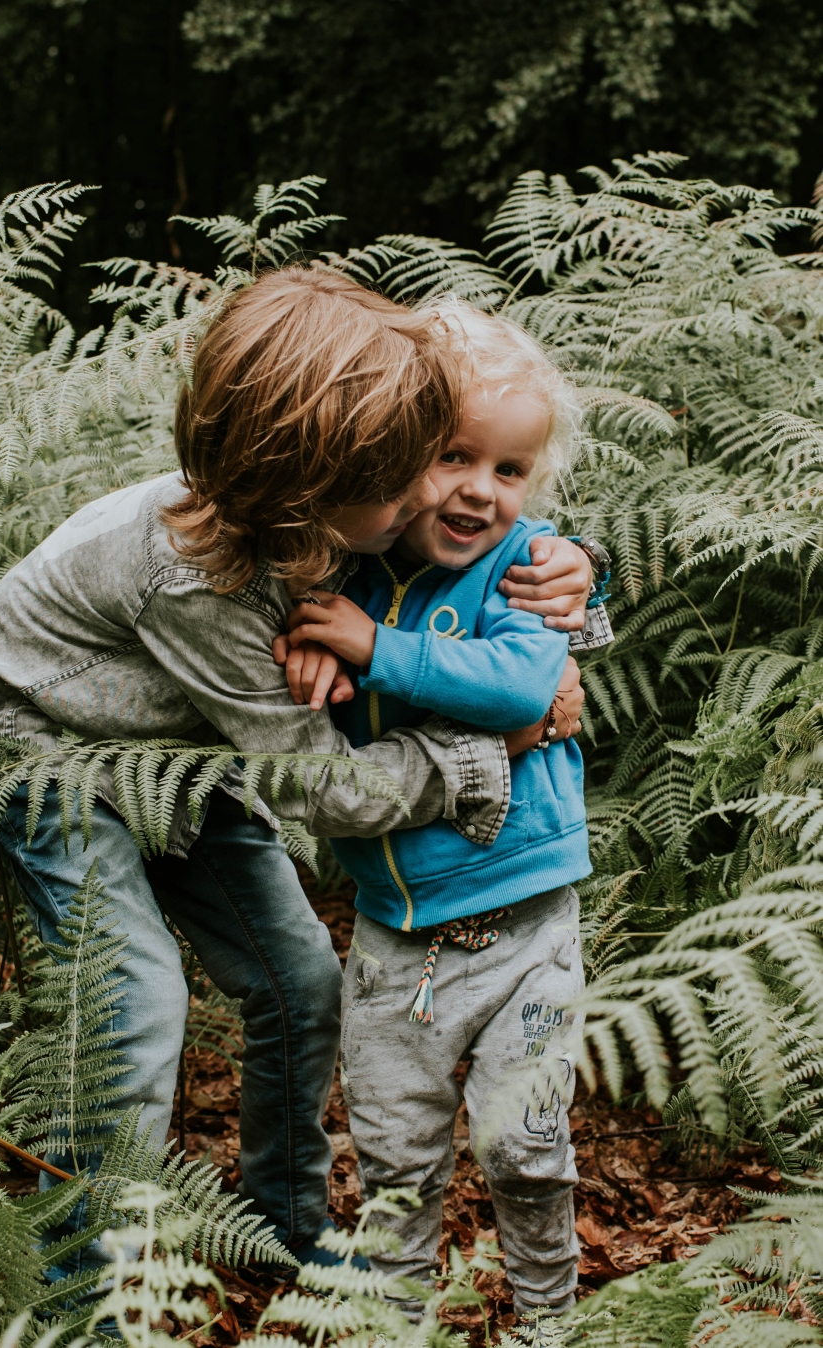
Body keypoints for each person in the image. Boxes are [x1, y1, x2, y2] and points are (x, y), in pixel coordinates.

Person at [0, 269, 592, 1273]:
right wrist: (488, 749)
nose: (432, 491)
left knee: (298, 980)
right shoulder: (200, 583)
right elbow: (322, 793)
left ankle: (282, 1228)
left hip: (187, 758)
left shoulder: (334, 515)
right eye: (405, 480)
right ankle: (77, 1292)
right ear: (309, 502)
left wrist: (570, 588)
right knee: (133, 1005)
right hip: (49, 753)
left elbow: (463, 580)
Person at [280, 299, 592, 1316]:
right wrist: (321, 640)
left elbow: (516, 689)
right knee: (394, 1164)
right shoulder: (347, 566)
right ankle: (394, 1329)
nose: (479, 491)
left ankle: (552, 1325)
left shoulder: (531, 568)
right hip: (392, 938)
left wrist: (374, 649)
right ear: (397, 445)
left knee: (529, 1153)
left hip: (528, 927)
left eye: (509, 470)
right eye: (453, 455)